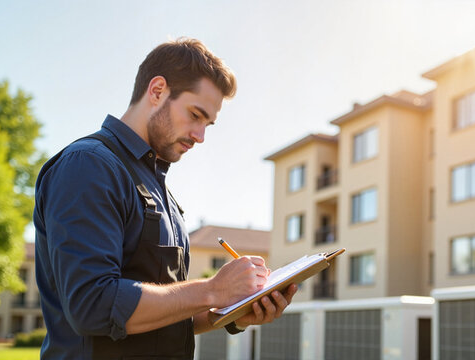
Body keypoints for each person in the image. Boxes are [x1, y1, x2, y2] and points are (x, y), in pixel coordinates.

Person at [33, 37, 297, 359]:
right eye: (195, 115)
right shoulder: (88, 165)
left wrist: (230, 313)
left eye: (208, 124)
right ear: (157, 91)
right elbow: (93, 305)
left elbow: (166, 312)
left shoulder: (161, 190)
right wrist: (213, 288)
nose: (201, 137)